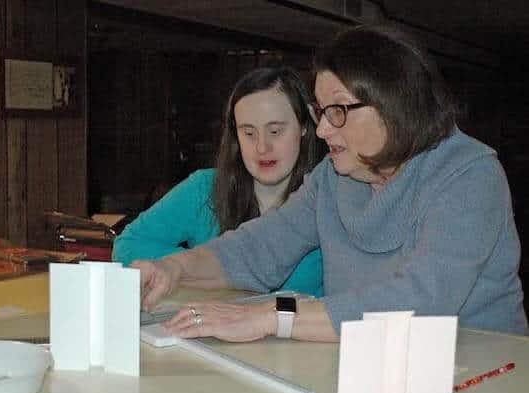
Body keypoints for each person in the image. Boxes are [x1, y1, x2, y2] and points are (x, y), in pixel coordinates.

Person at [133, 25, 527, 342]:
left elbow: (422, 299)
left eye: (338, 111)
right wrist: (176, 268)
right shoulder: (335, 178)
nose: (322, 129)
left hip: (481, 374)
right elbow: (261, 246)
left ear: (395, 105)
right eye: (321, 111)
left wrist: (274, 317)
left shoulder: (470, 175)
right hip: (373, 366)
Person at [113, 66, 325, 296]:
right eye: (249, 133)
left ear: (304, 127)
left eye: (275, 131)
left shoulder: (327, 198)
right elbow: (127, 246)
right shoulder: (205, 189)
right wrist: (200, 264)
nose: (262, 147)